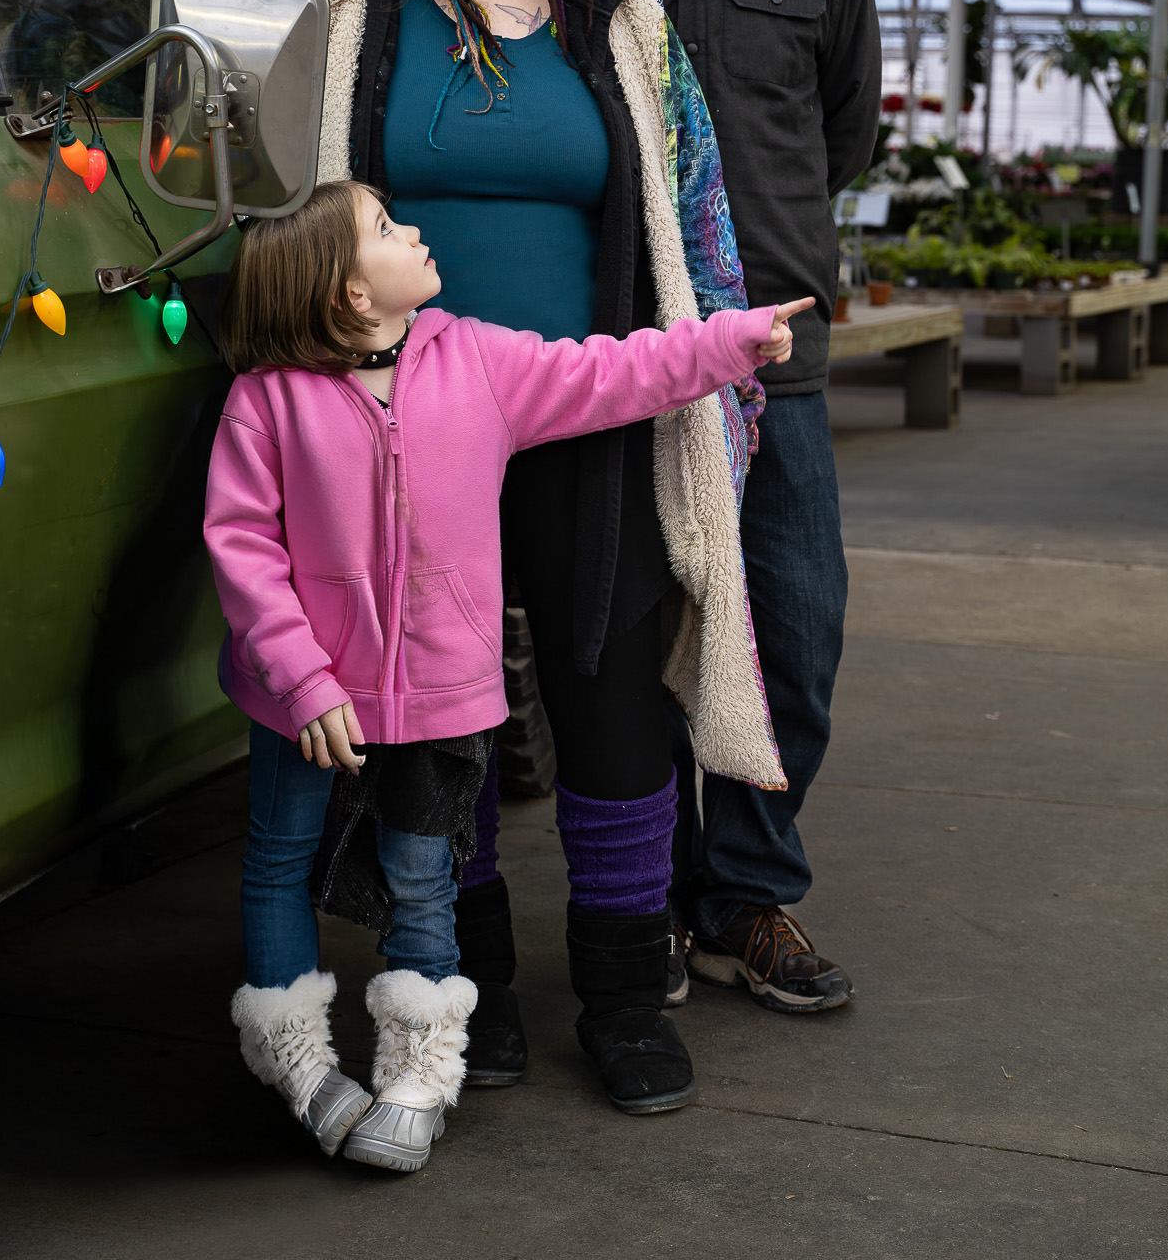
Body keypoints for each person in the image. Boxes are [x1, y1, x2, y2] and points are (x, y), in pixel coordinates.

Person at [294, 0, 790, 1114]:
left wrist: (721, 373)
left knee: (613, 696)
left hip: (591, 408)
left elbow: (690, 197)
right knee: (433, 709)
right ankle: (475, 982)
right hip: (404, 425)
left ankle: (627, 993)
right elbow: (289, 195)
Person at [205, 178, 807, 1162]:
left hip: (438, 696)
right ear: (352, 293)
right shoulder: (266, 400)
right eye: (388, 230)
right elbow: (241, 546)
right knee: (279, 863)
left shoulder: (474, 360)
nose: (416, 232)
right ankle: (299, 1063)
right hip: (300, 699)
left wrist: (730, 341)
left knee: (423, 880)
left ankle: (418, 1074)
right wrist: (303, 679)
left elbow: (609, 373)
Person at [561, 0, 884, 1014]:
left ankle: (741, 899)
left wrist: (785, 257)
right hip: (616, 356)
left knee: (795, 632)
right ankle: (651, 901)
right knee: (632, 643)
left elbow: (844, 130)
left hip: (773, 362)